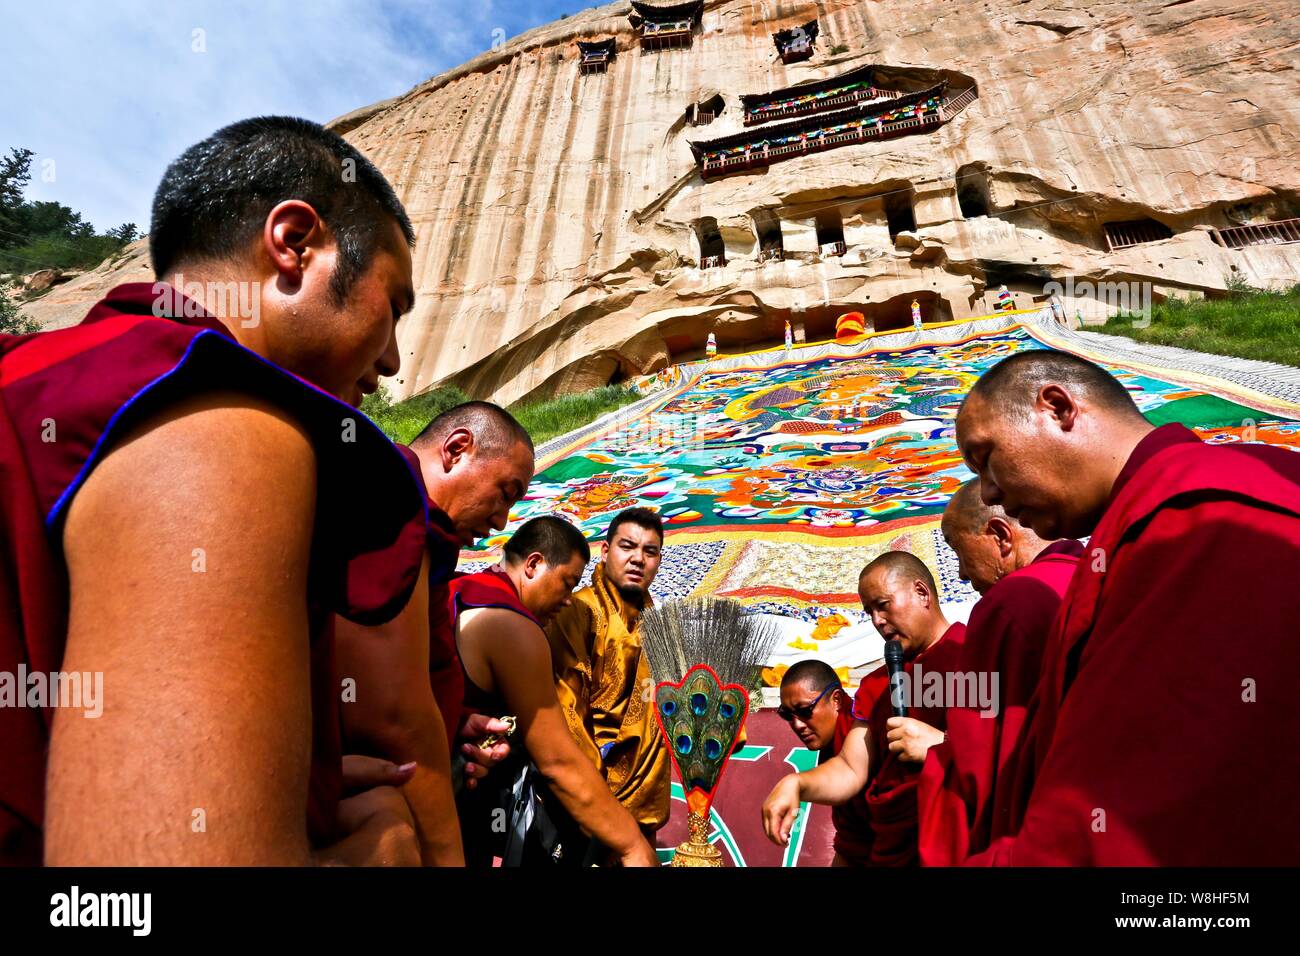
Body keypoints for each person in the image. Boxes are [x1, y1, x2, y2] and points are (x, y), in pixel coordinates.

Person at [1, 116, 429, 864]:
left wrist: (299, 785)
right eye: (393, 306)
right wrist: (377, 851)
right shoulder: (223, 420)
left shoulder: (53, 375)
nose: (391, 360)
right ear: (295, 243)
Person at [955, 348, 1300, 864]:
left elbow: (1135, 806)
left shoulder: (1198, 510)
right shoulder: (1148, 519)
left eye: (985, 459)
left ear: (1058, 407)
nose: (989, 492)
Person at [333, 401, 533, 864]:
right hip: (373, 796)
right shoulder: (387, 497)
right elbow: (393, 715)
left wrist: (455, 719)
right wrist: (447, 854)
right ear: (458, 449)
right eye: (505, 493)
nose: (502, 521)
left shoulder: (429, 540)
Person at [450, 516, 657, 867]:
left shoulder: (461, 589)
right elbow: (557, 761)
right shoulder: (512, 623)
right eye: (567, 583)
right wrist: (632, 844)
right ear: (533, 565)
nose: (567, 600)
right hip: (449, 802)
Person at [762, 551, 965, 866]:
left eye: (883, 605)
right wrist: (796, 783)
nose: (877, 621)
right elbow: (851, 768)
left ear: (922, 593)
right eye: (869, 611)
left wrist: (943, 745)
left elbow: (1008, 752)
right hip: (891, 851)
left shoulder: (972, 660)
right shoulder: (877, 684)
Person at [917, 479, 1082, 865]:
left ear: (1000, 536)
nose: (958, 573)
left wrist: (935, 753)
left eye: (958, 551)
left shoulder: (1011, 604)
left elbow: (977, 764)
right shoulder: (1092, 575)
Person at [545, 507, 671, 837]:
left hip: (644, 793)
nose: (638, 559)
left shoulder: (658, 624)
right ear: (605, 550)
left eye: (650, 551)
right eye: (627, 546)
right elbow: (566, 708)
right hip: (587, 794)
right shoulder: (578, 611)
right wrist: (598, 797)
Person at [776, 659, 887, 866]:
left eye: (805, 710)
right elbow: (852, 840)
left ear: (836, 700)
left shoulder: (867, 732)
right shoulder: (830, 744)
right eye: (787, 715)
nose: (797, 725)